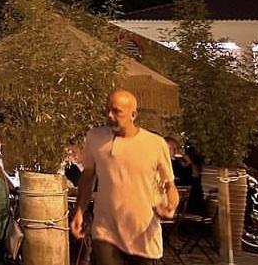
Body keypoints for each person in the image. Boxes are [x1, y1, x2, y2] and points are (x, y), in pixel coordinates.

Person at [70, 90, 177, 265]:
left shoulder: (155, 144)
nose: (109, 115)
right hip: (105, 229)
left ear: (133, 115)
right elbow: (87, 177)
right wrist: (79, 211)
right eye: (107, 110)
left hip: (143, 233)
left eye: (116, 111)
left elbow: (170, 185)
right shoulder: (95, 138)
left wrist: (170, 206)